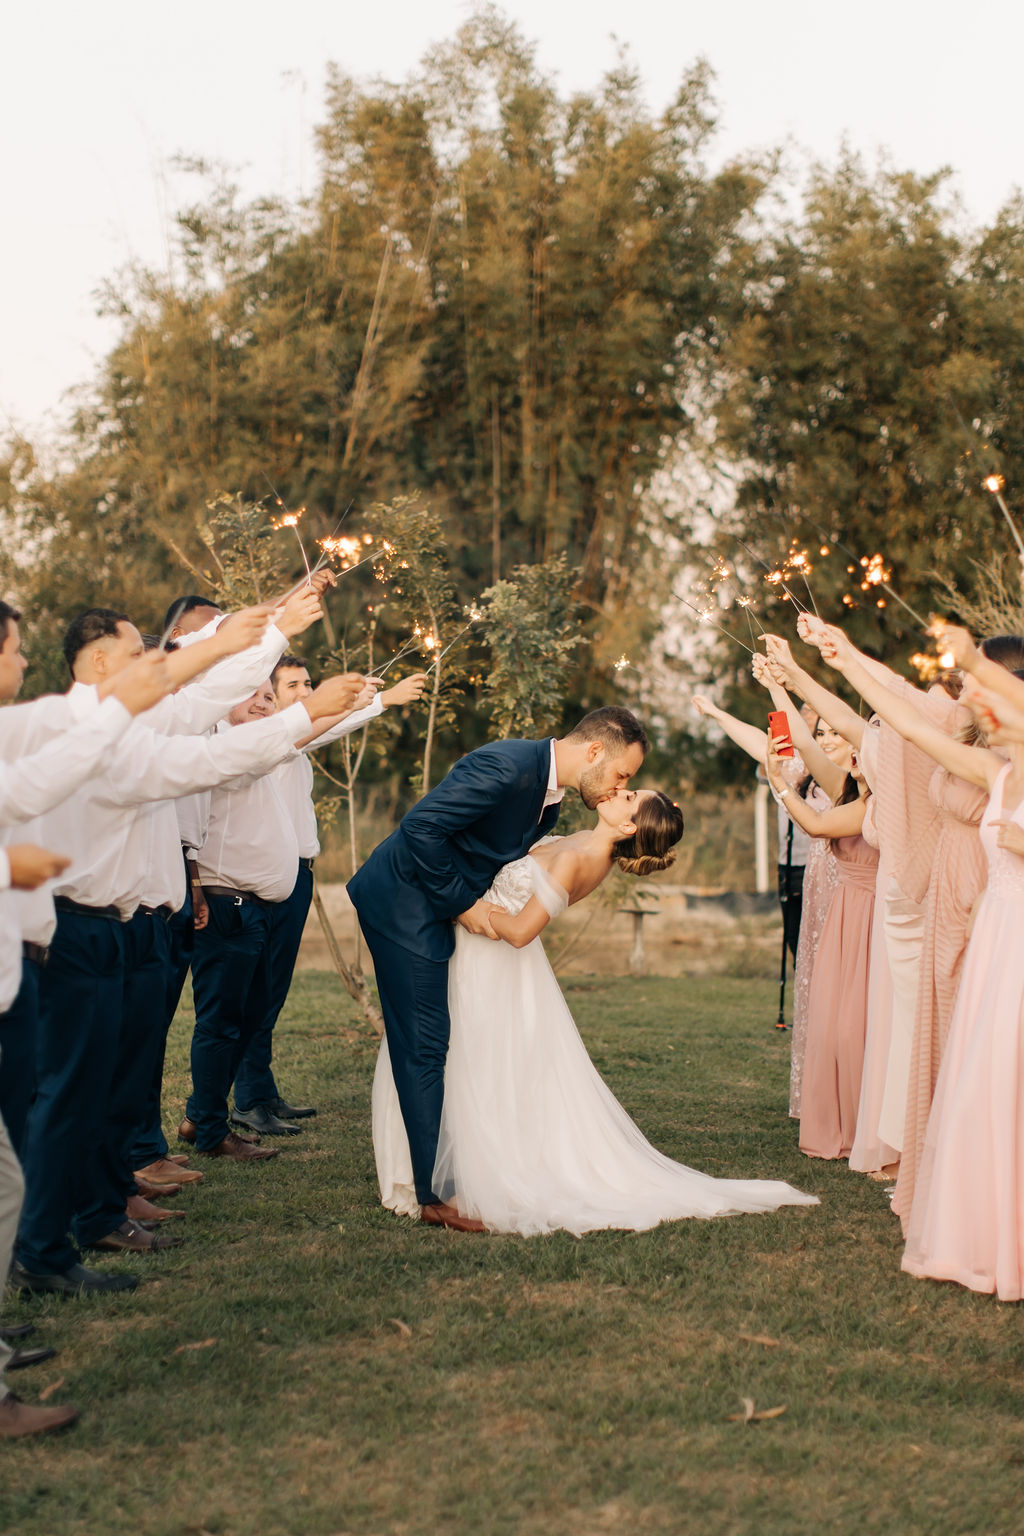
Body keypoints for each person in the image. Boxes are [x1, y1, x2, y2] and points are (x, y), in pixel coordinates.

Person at [373, 788, 818, 1233]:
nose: (617, 790)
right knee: (453, 1060)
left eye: (628, 795)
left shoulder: (581, 859)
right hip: (477, 954)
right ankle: (430, 1174)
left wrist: (467, 909)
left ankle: (457, 1175)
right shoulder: (583, 840)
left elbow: (521, 931)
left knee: (471, 1067)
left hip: (492, 961)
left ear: (627, 825)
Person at [349, 707, 649, 1231]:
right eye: (623, 774)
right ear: (596, 750)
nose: (621, 785)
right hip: (404, 903)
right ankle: (435, 1197)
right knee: (424, 1043)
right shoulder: (510, 767)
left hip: (437, 907)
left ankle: (437, 1175)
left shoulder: (548, 801)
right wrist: (465, 905)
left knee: (432, 1042)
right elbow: (421, 827)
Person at [231, 655, 427, 1134]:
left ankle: (260, 1089)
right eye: (291, 684)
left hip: (298, 875)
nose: (302, 691)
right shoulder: (276, 733)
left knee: (273, 990)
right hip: (269, 878)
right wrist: (381, 700)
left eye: (307, 682)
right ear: (272, 695)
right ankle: (244, 1099)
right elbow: (318, 730)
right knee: (256, 992)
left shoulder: (292, 736)